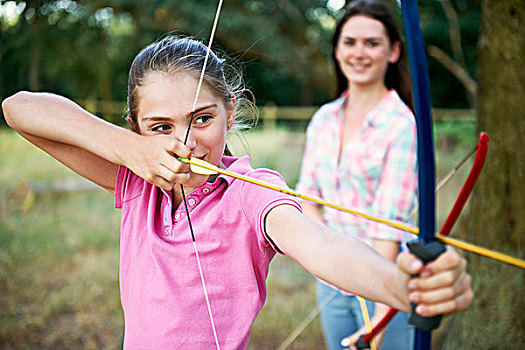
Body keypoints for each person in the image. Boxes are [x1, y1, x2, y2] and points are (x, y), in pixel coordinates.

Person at [2, 35, 472, 350]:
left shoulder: (251, 193)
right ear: (136, 129)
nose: (185, 144)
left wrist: (399, 286)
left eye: (202, 119)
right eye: (160, 126)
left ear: (230, 111)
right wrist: (131, 150)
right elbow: (18, 108)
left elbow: (322, 245)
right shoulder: (137, 179)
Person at [296, 1, 425, 349]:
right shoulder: (324, 118)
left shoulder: (402, 125)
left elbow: (387, 226)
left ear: (394, 51)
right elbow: (306, 198)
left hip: (383, 280)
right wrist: (330, 259)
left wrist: (381, 317)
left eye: (372, 43)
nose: (359, 53)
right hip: (331, 281)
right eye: (350, 42)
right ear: (337, 49)